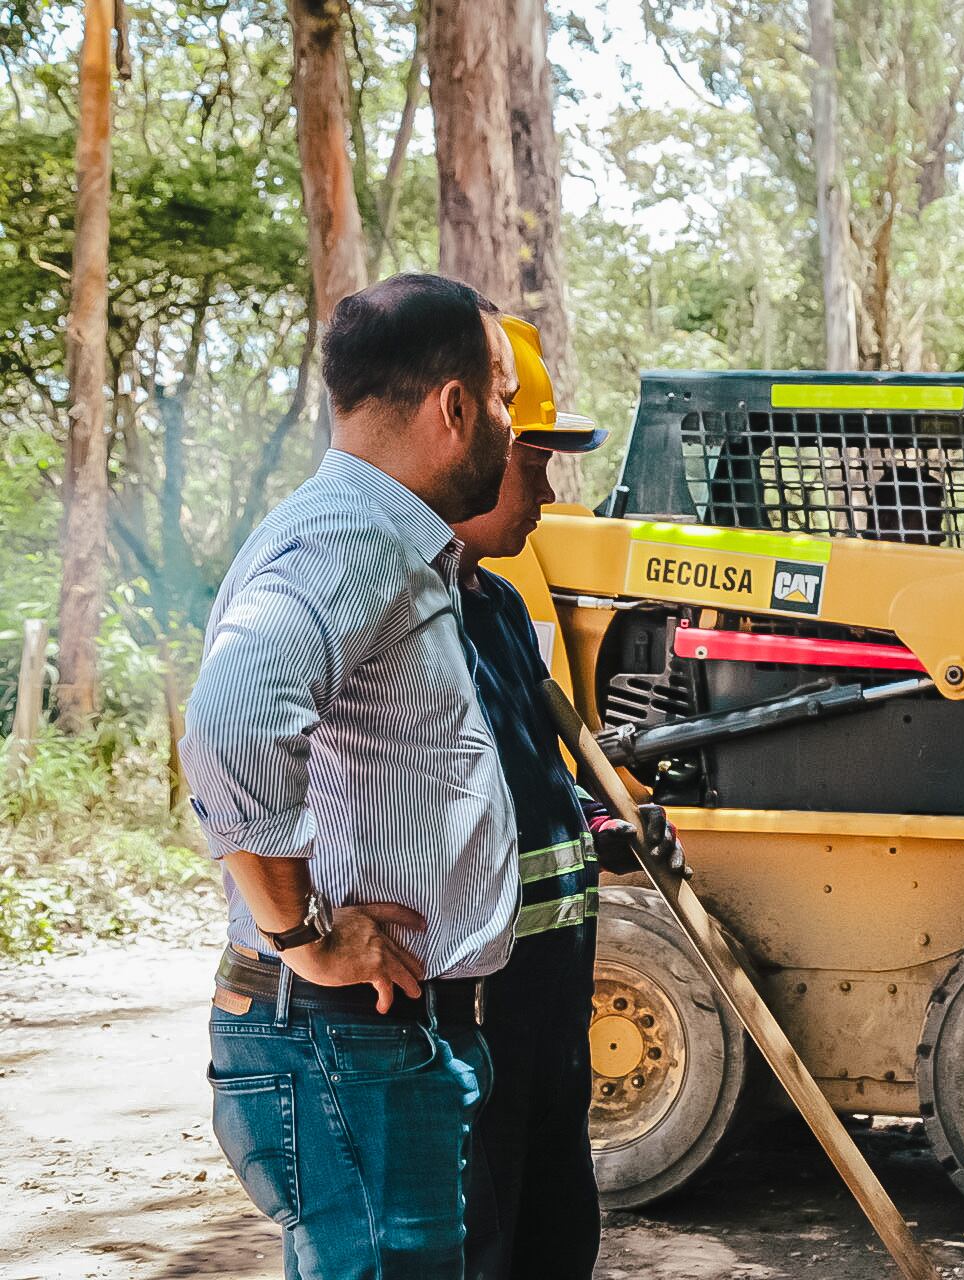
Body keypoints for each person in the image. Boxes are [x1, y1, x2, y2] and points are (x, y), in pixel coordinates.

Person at [181, 272, 520, 1279]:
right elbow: (232, 720)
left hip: (373, 1040)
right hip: (341, 1034)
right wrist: (307, 933)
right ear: (454, 407)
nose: (509, 423)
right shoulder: (350, 538)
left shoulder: (385, 542)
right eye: (500, 395)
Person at [452, 316, 676, 1279]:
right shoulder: (405, 618)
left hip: (547, 1014)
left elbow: (527, 776)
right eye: (532, 461)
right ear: (465, 443)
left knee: (554, 1243)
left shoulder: (496, 608)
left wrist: (598, 819)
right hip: (470, 1027)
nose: (548, 490)